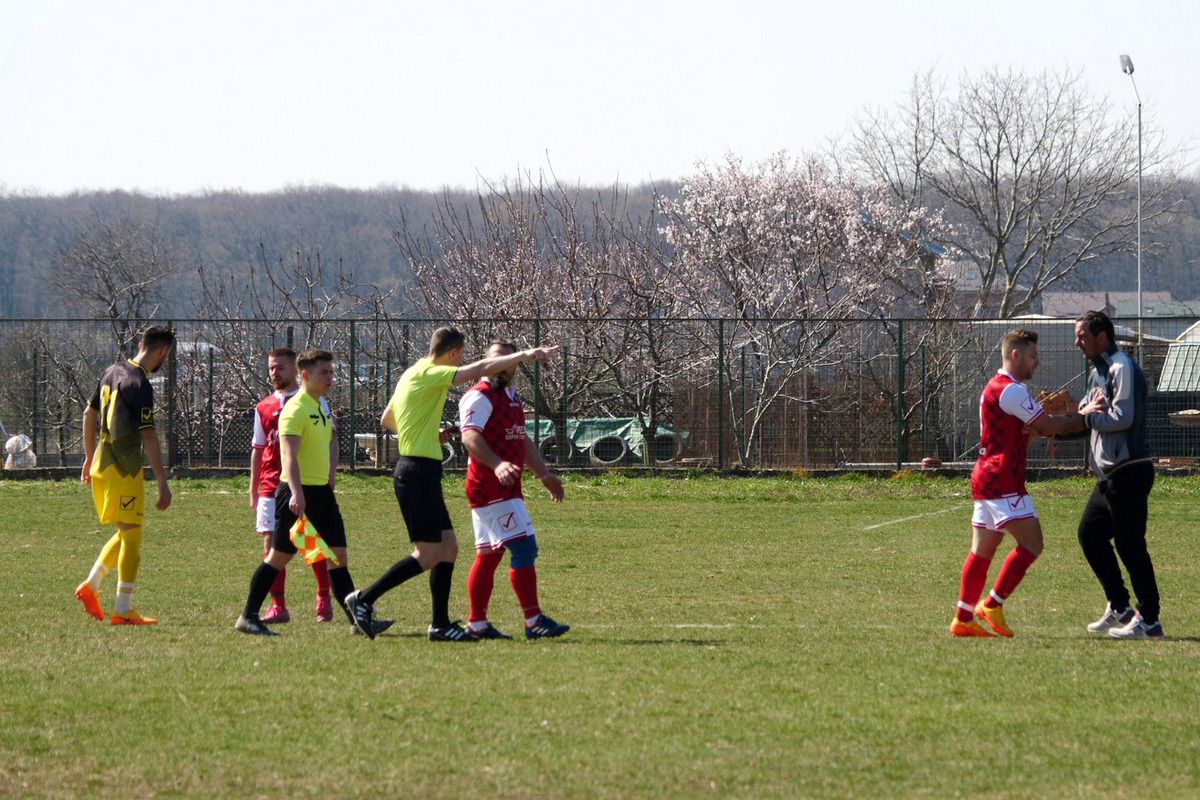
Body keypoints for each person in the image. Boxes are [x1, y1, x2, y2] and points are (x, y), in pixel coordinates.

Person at [344, 326, 558, 642]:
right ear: (454, 354)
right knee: (429, 553)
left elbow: (388, 418)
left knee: (448, 549)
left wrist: (426, 433)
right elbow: (482, 369)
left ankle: (440, 625)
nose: (461, 367)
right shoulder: (433, 373)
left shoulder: (412, 372)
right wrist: (526, 354)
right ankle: (363, 600)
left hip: (422, 470)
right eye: (460, 360)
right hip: (415, 472)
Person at [951, 329, 1103, 638]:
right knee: (1032, 544)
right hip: (1003, 479)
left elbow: (1029, 433)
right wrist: (1082, 415)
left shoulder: (996, 388)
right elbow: (1046, 425)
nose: (1038, 362)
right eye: (1033, 356)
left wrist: (1047, 425)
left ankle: (963, 619)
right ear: (1016, 355)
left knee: (981, 552)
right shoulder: (1012, 391)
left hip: (987, 476)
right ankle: (991, 605)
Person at [235, 349, 371, 636]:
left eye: (332, 372)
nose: (331, 377)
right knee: (277, 557)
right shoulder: (294, 409)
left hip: (321, 493)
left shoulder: (321, 404)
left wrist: (330, 478)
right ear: (306, 375)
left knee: (337, 557)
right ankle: (249, 616)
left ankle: (356, 621)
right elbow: (288, 456)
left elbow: (330, 443)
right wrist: (296, 493)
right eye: (325, 372)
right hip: (296, 495)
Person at [459, 340, 569, 640]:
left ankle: (477, 624)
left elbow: (521, 440)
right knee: (523, 546)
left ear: (515, 366)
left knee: (490, 555)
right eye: (494, 359)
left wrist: (544, 474)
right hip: (490, 486)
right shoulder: (479, 396)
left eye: (506, 360)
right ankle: (533, 620)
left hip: (504, 487)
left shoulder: (511, 396)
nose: (499, 365)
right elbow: (469, 436)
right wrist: (496, 464)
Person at [75, 325, 175, 625]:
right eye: (166, 358)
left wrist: (89, 456)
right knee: (132, 539)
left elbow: (88, 413)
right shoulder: (140, 384)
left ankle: (90, 587)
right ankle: (123, 608)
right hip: (124, 469)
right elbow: (148, 434)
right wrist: (161, 480)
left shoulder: (112, 371)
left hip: (102, 466)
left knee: (128, 532)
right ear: (162, 351)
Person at [1073, 310, 1163, 639]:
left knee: (1129, 545)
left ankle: (1150, 620)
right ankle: (1121, 607)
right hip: (1109, 477)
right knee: (1090, 535)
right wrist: (1074, 419)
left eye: (1082, 336)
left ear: (1102, 337)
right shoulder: (1096, 373)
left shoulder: (1121, 366)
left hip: (1130, 471)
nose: (1077, 342)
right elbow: (1084, 414)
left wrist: (1087, 419)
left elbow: (1123, 418)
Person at [250, 347, 334, 623]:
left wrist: (330, 474)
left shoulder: (312, 401)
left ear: (296, 372)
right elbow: (259, 449)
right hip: (269, 486)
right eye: (271, 368)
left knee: (309, 540)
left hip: (301, 483)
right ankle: (278, 606)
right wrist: (254, 489)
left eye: (281, 368)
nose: (275, 373)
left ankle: (323, 598)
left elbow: (331, 440)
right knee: (271, 545)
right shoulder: (263, 406)